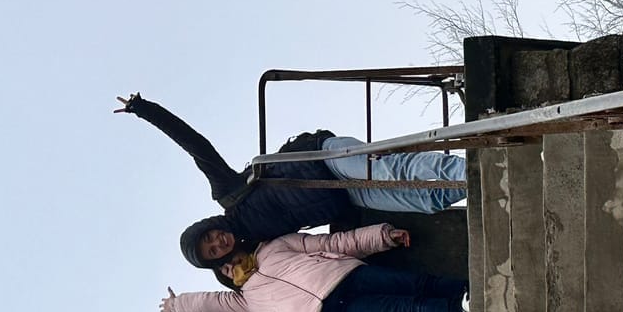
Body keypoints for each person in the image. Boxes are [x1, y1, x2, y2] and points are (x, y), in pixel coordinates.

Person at [115, 92, 465, 244]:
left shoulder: (228, 194)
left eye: (210, 238)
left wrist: (145, 110)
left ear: (211, 226)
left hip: (322, 158)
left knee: (394, 172)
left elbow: (197, 146)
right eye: (212, 250)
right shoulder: (256, 244)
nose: (217, 243)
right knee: (422, 201)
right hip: (344, 197)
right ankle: (474, 185)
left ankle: (473, 169)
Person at [160, 219, 465, 312]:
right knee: (404, 309)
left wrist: (382, 236)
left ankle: (469, 291)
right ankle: (463, 308)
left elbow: (332, 243)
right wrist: (176, 305)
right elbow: (208, 303)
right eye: (226, 272)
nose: (233, 268)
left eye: (233, 262)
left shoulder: (274, 247)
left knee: (417, 284)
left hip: (344, 275)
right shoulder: (246, 300)